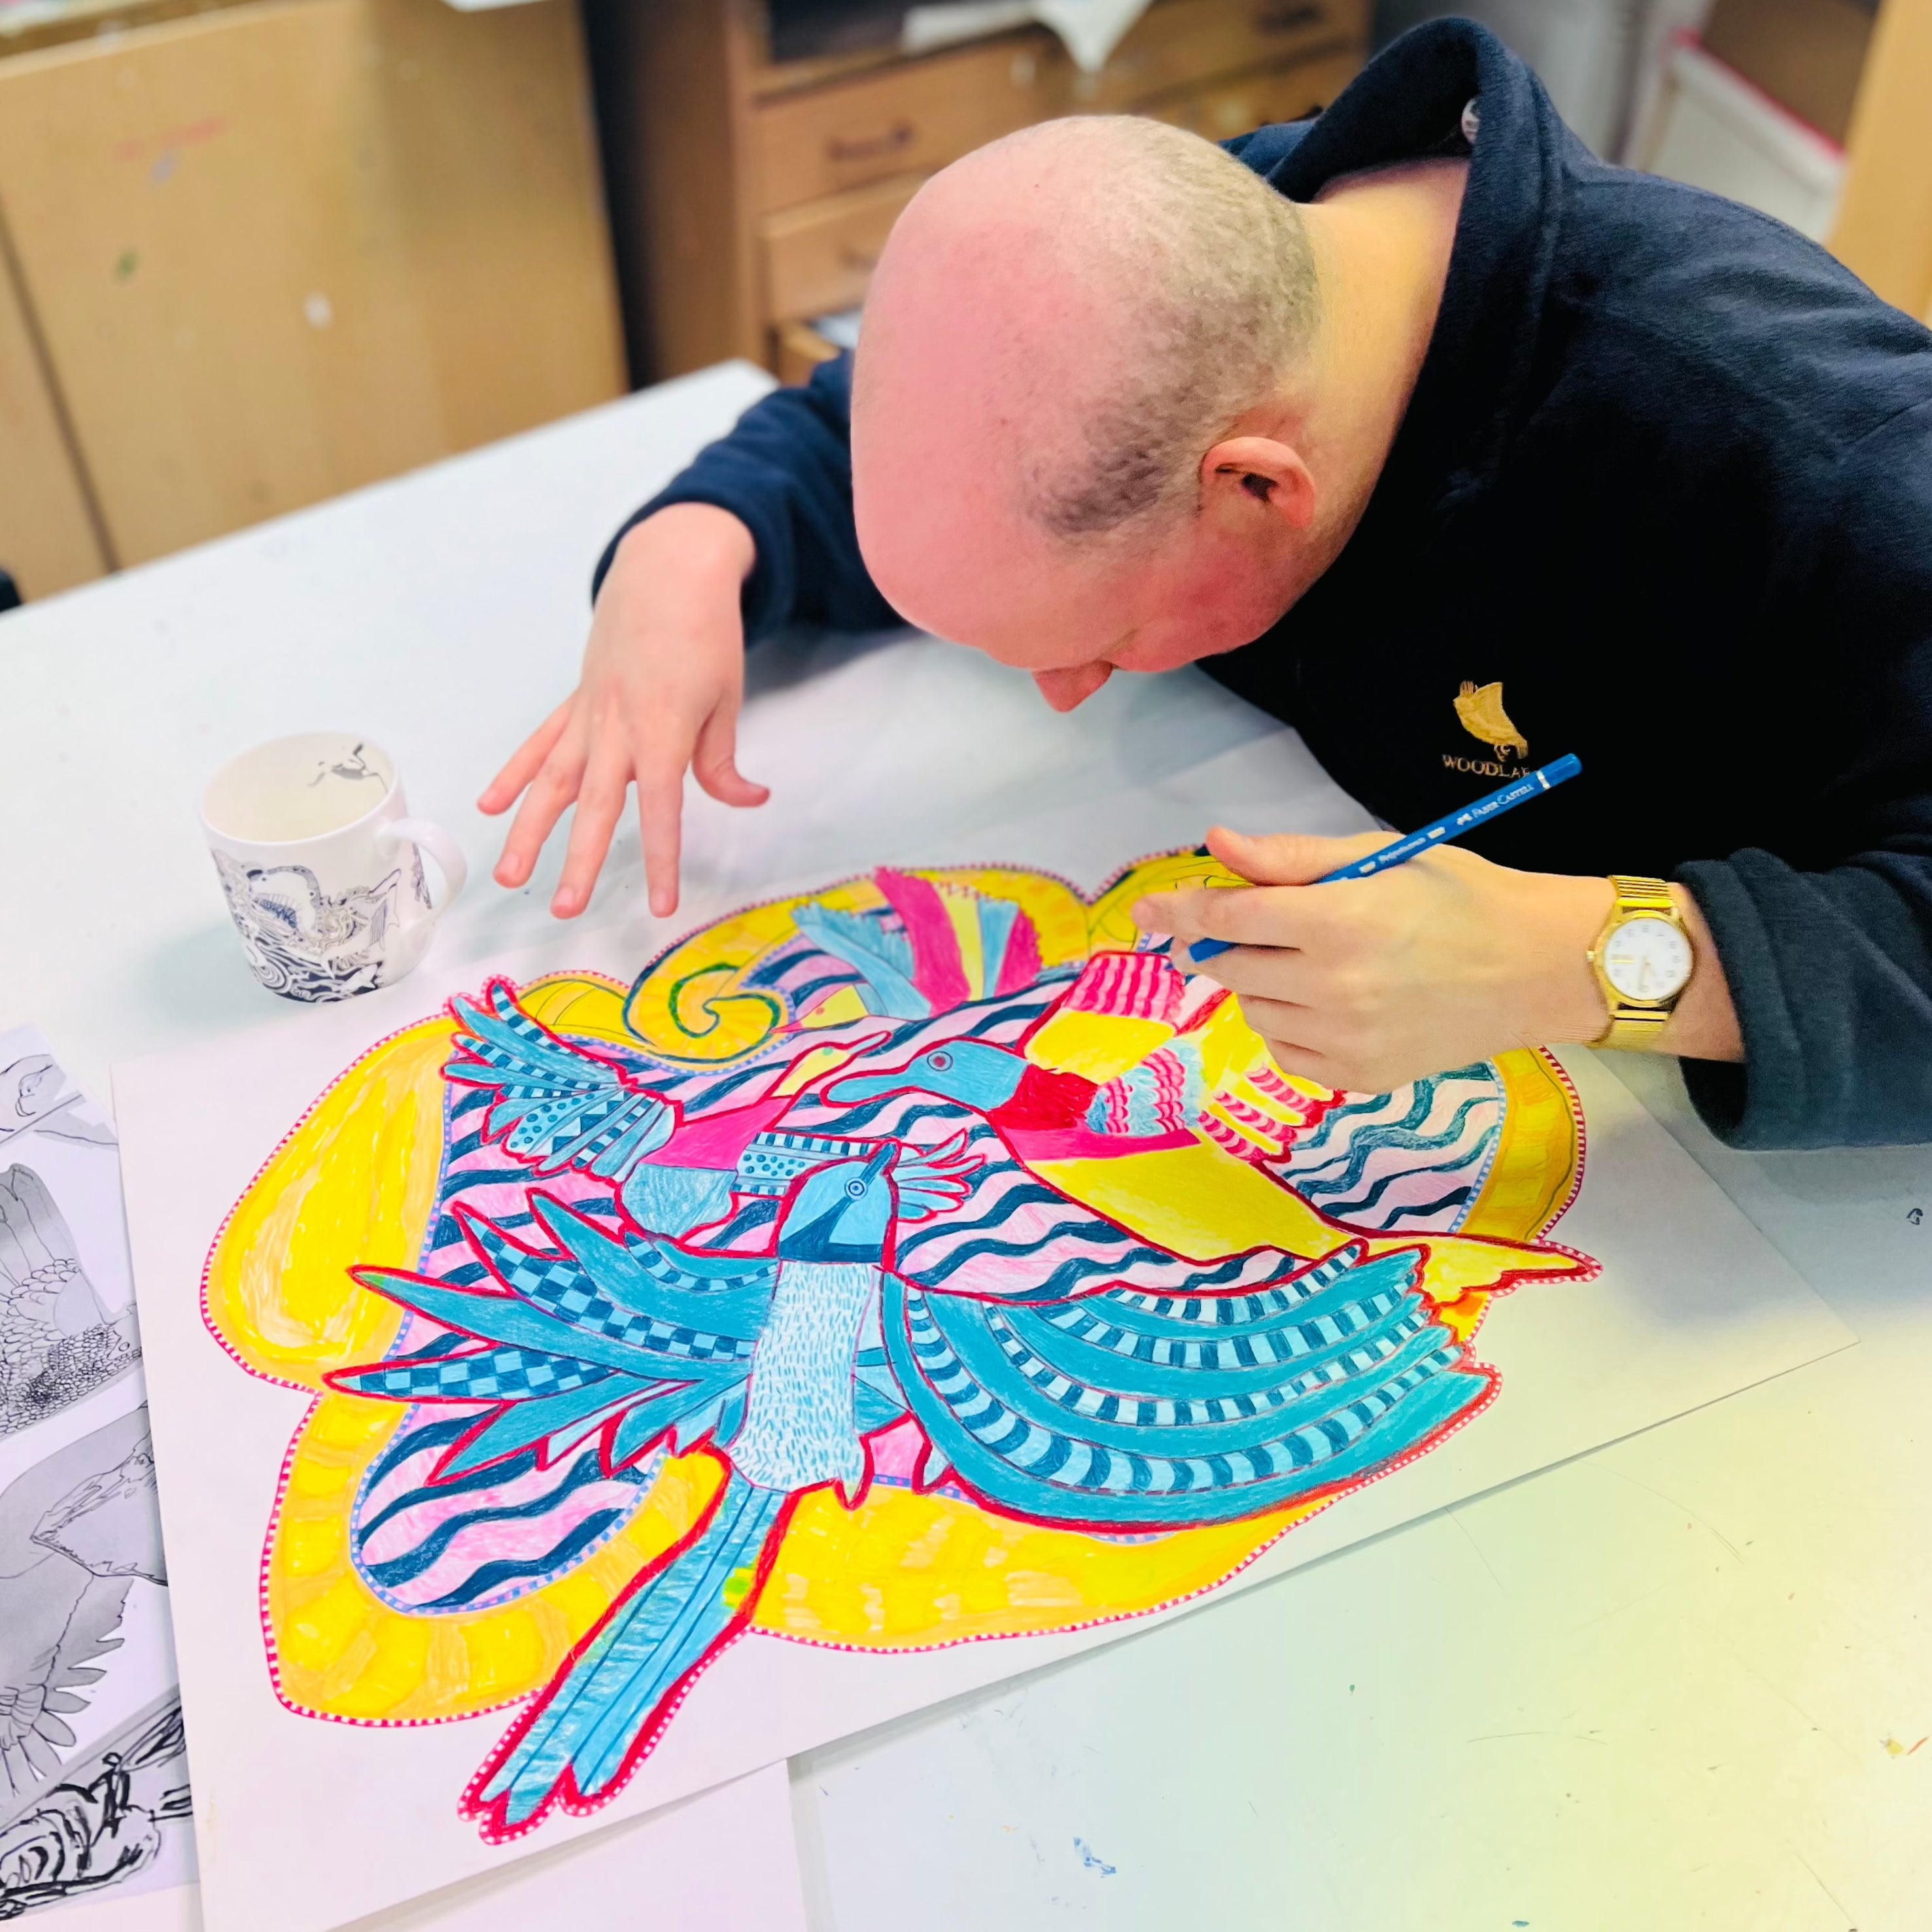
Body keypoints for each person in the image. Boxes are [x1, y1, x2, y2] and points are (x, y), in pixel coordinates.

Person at [479, 18, 1932, 1152]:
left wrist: (1595, 959)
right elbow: (868, 428)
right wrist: (688, 555)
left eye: (1099, 641)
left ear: (1253, 488)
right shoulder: (1236, 252)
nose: (1062, 694)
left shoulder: (1799, 447)